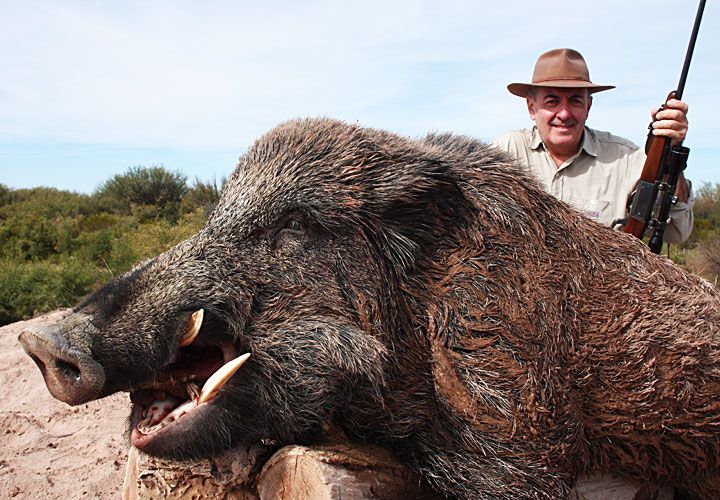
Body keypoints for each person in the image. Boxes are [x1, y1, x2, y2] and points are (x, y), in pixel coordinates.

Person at [492, 48, 693, 243]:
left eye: (575, 101)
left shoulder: (627, 159)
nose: (564, 114)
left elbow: (676, 231)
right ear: (531, 107)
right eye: (552, 101)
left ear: (588, 107)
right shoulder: (504, 153)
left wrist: (670, 160)